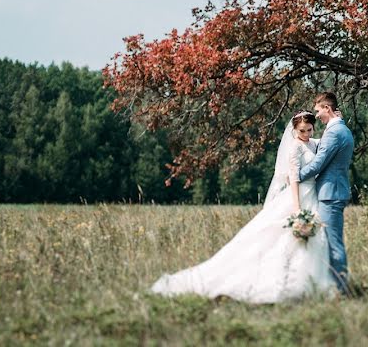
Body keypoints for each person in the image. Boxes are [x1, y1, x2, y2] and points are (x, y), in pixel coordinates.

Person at [149, 111, 336, 303]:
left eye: (309, 130)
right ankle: (281, 283)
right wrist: (297, 209)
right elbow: (294, 178)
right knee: (279, 237)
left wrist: (335, 120)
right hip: (297, 197)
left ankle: (305, 284)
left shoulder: (313, 142)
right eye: (301, 131)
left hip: (313, 195)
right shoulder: (295, 147)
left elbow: (329, 139)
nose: (305, 134)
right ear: (294, 130)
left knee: (312, 241)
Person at [292, 91, 355, 295]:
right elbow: (319, 147)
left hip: (331, 194)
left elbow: (319, 163)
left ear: (327, 108)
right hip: (334, 191)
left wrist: (296, 176)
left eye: (318, 110)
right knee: (330, 240)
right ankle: (335, 286)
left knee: (333, 242)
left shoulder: (335, 132)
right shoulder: (339, 129)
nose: (316, 115)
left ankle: (342, 290)